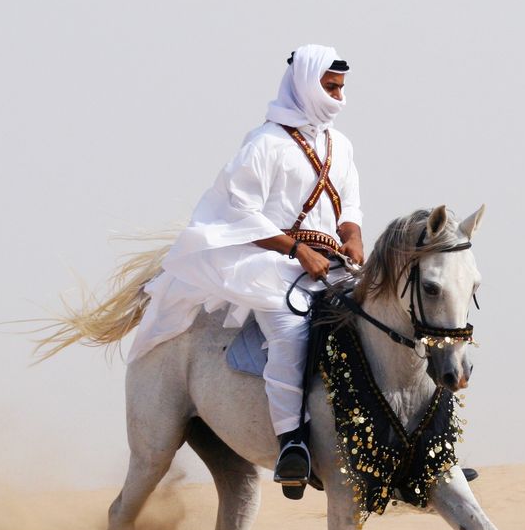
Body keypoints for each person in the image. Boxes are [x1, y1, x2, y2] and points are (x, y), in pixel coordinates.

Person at [127, 44, 363, 492]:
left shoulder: (340, 145)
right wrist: (297, 250)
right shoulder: (265, 143)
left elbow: (349, 205)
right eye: (330, 88)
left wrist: (353, 236)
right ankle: (293, 443)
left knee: (391, 316)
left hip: (330, 265)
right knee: (290, 330)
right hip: (268, 262)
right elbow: (240, 213)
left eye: (342, 89)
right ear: (306, 86)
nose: (338, 98)